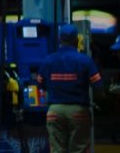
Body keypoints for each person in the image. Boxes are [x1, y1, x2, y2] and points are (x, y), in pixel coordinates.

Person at [37, 24, 104, 153]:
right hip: (78, 111)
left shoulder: (48, 60)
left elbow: (40, 84)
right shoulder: (85, 60)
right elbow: (98, 87)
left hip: (54, 111)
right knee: (79, 149)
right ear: (77, 40)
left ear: (59, 40)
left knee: (57, 150)